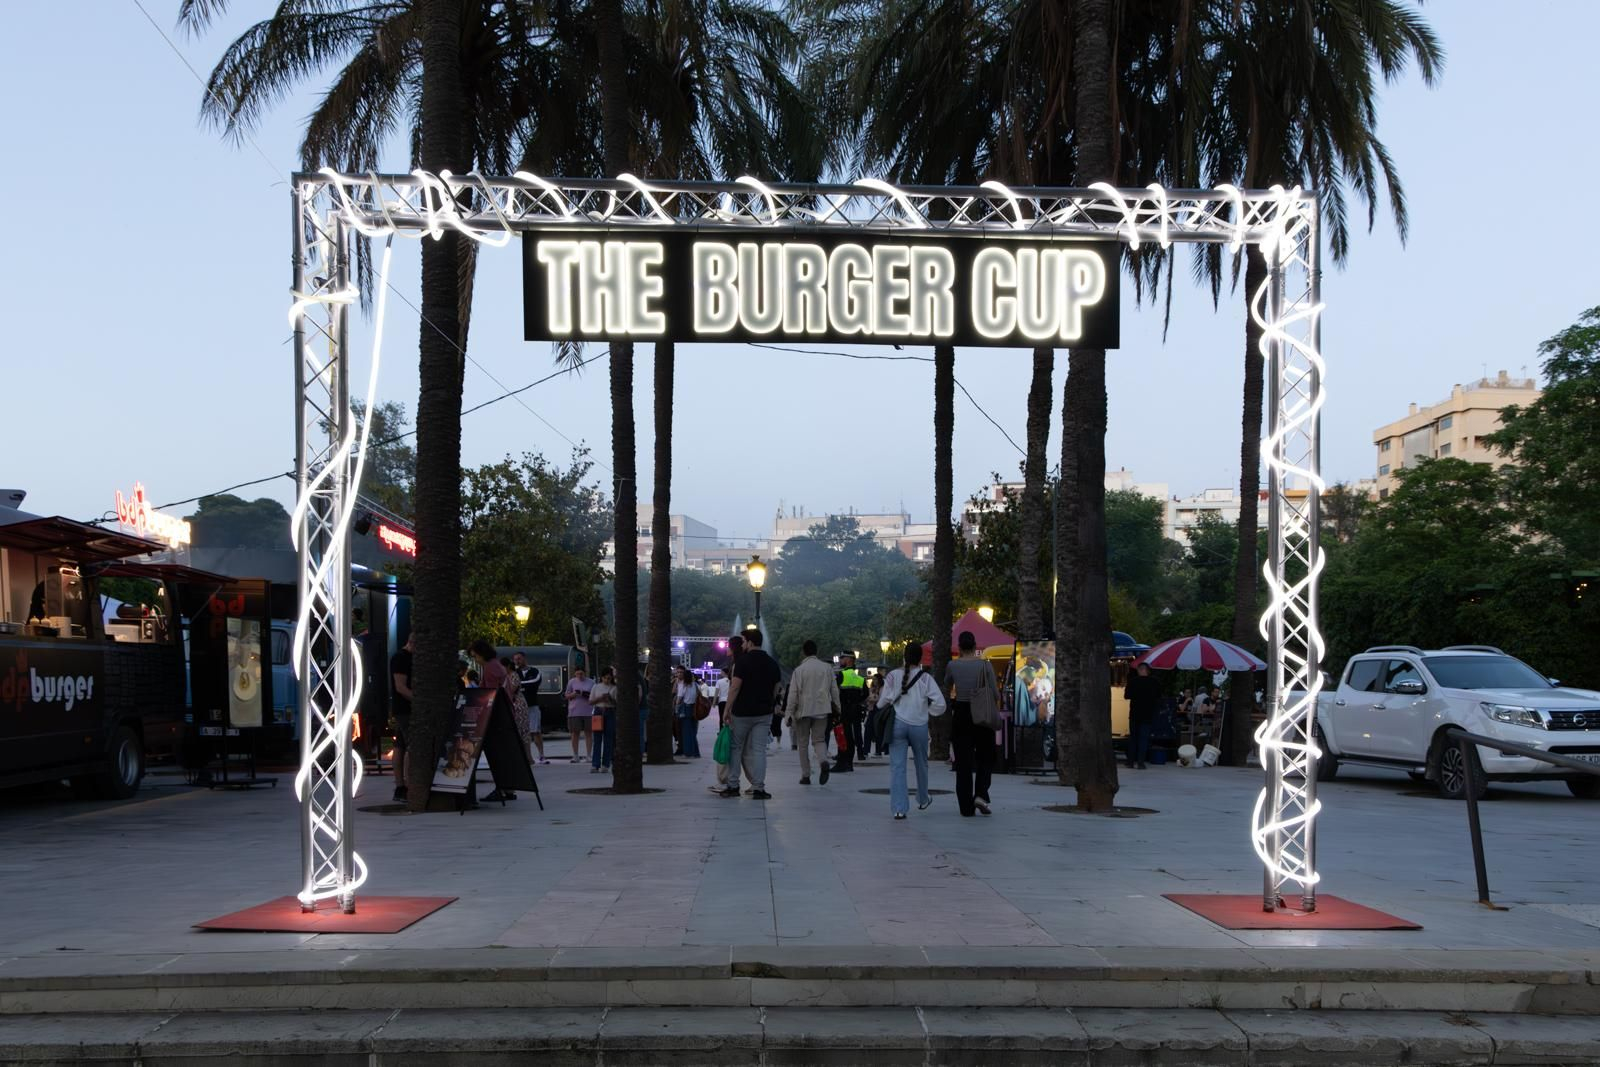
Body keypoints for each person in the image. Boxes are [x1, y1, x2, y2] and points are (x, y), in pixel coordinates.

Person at [877, 643, 947, 819]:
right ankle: (923, 798)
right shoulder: (926, 678)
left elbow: (880, 703)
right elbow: (941, 705)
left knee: (898, 767)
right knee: (921, 764)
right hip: (919, 726)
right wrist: (928, 710)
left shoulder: (892, 676)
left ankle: (899, 809)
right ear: (920, 658)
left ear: (904, 656)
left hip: (898, 724)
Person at [718, 628, 780, 799]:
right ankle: (758, 788)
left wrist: (727, 709)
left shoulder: (743, 662)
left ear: (750, 642)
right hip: (763, 714)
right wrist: (769, 703)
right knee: (759, 751)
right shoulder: (772, 663)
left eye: (744, 641)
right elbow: (776, 688)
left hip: (742, 713)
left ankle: (733, 786)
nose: (742, 644)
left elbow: (735, 687)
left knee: (736, 748)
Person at [944, 630, 1000, 817]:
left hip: (961, 714)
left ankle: (965, 807)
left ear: (959, 647)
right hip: (982, 714)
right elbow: (994, 693)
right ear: (975, 646)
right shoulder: (985, 665)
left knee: (963, 762)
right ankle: (981, 795)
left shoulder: (952, 665)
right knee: (986, 757)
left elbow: (947, 684)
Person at [785, 639, 840, 785]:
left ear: (804, 652)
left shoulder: (799, 670)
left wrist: (789, 713)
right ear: (816, 652)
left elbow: (793, 694)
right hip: (822, 709)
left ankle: (806, 775)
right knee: (819, 740)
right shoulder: (827, 668)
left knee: (802, 743)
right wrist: (837, 708)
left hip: (803, 710)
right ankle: (823, 761)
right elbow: (834, 691)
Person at [469, 640, 517, 802]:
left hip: (497, 716)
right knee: (504, 752)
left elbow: (490, 695)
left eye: (475, 656)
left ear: (481, 654)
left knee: (496, 753)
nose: (475, 659)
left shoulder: (489, 668)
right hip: (506, 713)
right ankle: (508, 788)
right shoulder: (497, 665)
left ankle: (501, 788)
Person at [389, 634, 414, 802]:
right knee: (411, 746)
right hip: (406, 709)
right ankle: (407, 785)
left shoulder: (404, 657)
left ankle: (401, 786)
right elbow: (400, 686)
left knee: (401, 745)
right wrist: (418, 701)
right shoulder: (401, 658)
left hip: (404, 708)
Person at [512, 652, 549, 764]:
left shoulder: (534, 671)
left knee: (535, 731)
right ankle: (526, 756)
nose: (517, 661)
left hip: (532, 706)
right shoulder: (515, 673)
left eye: (519, 658)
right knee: (521, 732)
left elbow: (535, 683)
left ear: (524, 658)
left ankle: (541, 755)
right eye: (515, 659)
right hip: (517, 707)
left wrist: (519, 686)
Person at [833, 651, 866, 773]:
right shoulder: (859, 678)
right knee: (851, 737)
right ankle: (849, 763)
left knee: (842, 735)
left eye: (842, 658)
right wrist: (857, 701)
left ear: (849, 660)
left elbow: (834, 692)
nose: (840, 660)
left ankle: (842, 762)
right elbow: (866, 693)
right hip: (855, 710)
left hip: (844, 710)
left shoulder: (841, 675)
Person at [1124, 661, 1162, 769]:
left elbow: (1126, 696)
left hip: (1134, 714)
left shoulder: (1133, 682)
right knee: (1143, 739)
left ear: (1139, 670)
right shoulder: (1155, 682)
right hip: (1147, 714)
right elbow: (1159, 696)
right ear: (1148, 671)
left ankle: (1130, 761)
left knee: (1133, 738)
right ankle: (1141, 762)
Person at [590, 666, 618, 773]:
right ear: (601, 678)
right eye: (605, 678)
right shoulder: (596, 687)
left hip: (610, 711)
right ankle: (595, 764)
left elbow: (617, 703)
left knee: (608, 739)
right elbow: (590, 701)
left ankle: (606, 764)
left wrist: (610, 699)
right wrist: (600, 698)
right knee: (597, 739)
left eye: (609, 678)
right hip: (598, 711)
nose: (607, 680)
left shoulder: (614, 688)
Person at [564, 665, 594, 762]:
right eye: (577, 674)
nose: (579, 675)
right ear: (575, 673)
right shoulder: (571, 682)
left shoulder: (591, 682)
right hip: (574, 712)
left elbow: (594, 696)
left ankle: (589, 755)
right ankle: (575, 755)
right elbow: (566, 695)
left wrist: (584, 694)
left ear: (585, 673)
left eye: (581, 673)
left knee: (588, 733)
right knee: (574, 734)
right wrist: (573, 694)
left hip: (588, 711)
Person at [674, 666, 701, 758]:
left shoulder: (683, 685)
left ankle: (688, 752)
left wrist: (676, 707)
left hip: (686, 709)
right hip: (695, 709)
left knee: (686, 732)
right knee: (693, 732)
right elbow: (698, 695)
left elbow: (679, 698)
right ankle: (695, 752)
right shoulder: (696, 685)